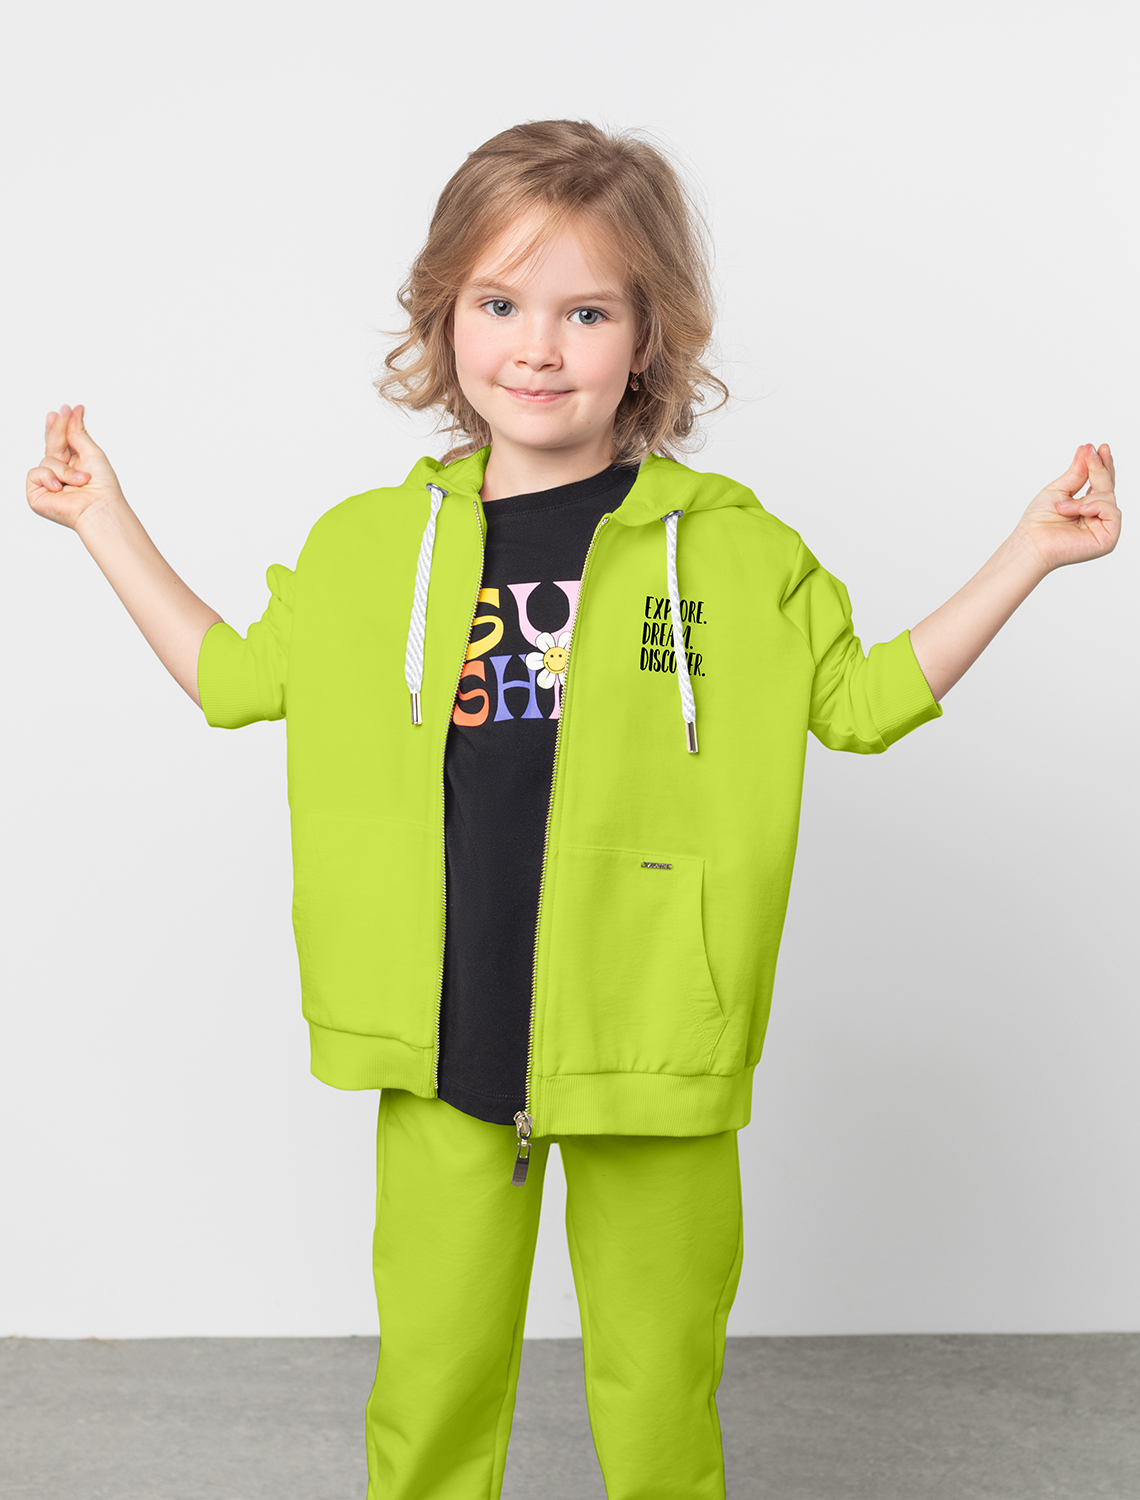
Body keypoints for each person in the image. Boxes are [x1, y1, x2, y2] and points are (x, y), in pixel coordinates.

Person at [26, 120, 1120, 1500]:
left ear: (649, 337)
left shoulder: (732, 550)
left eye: (586, 312)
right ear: (446, 317)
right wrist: (103, 520)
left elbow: (860, 700)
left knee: (659, 1393)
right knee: (430, 1388)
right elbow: (233, 679)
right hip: (442, 1036)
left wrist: (1028, 553)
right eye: (499, 304)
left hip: (652, 1035)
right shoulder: (369, 549)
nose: (537, 348)